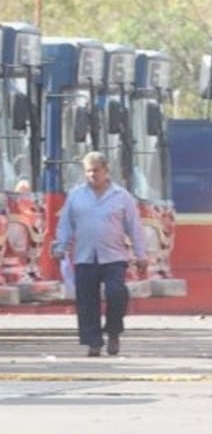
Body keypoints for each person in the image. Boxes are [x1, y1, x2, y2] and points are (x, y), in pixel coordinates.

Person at [52, 151, 148, 357]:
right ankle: (93, 342)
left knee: (116, 294)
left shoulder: (121, 196)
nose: (92, 175)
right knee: (87, 301)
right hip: (85, 256)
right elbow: (66, 224)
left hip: (114, 256)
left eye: (95, 170)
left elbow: (134, 227)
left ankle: (113, 332)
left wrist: (141, 254)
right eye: (88, 171)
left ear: (106, 170)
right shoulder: (76, 195)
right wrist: (60, 247)